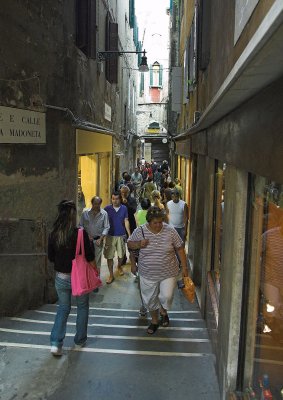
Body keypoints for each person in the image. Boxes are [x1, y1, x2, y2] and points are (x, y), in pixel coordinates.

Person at [127, 207, 188, 335]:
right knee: (150, 299)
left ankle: (163, 311)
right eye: (155, 222)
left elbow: (180, 248)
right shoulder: (141, 230)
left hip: (168, 272)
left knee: (167, 296)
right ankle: (155, 321)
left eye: (160, 221)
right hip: (147, 273)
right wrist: (139, 244)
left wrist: (184, 267)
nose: (159, 225)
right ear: (149, 221)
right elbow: (130, 244)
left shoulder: (170, 231)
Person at [48, 200, 95, 356]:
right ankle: (80, 340)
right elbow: (89, 256)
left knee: (63, 308)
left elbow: (51, 257)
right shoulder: (80, 233)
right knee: (82, 307)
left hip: (61, 278)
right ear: (74, 215)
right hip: (79, 278)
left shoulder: (54, 233)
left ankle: (56, 343)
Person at [104, 191, 131, 284]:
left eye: (117, 199)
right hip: (110, 236)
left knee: (121, 255)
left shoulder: (124, 208)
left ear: (120, 199)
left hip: (121, 235)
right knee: (109, 256)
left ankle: (119, 266)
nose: (115, 201)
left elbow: (126, 221)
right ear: (111, 199)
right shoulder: (107, 209)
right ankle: (111, 275)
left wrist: (129, 234)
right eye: (113, 199)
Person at [79, 196, 110, 276]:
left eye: (98, 204)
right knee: (87, 260)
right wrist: (87, 235)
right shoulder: (85, 213)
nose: (97, 205)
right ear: (92, 203)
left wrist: (101, 238)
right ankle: (88, 278)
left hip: (98, 241)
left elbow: (106, 227)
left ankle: (96, 278)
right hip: (86, 241)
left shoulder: (104, 214)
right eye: (95, 204)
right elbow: (81, 225)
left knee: (96, 261)